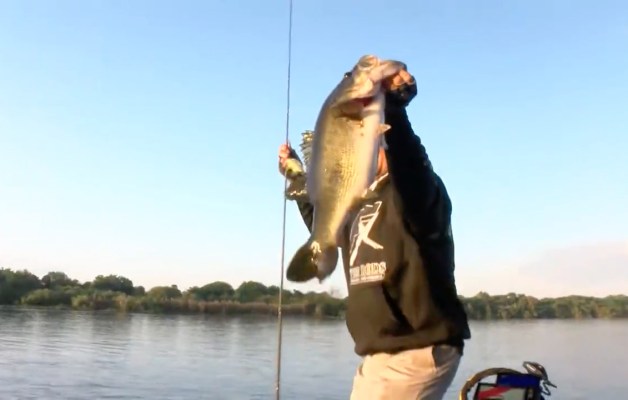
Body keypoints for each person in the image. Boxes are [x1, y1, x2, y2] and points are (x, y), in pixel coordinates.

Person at [277, 67, 471, 400]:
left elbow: (410, 162)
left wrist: (393, 107)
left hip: (415, 350)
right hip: (378, 357)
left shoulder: (414, 193)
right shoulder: (357, 202)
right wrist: (297, 176)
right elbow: (327, 228)